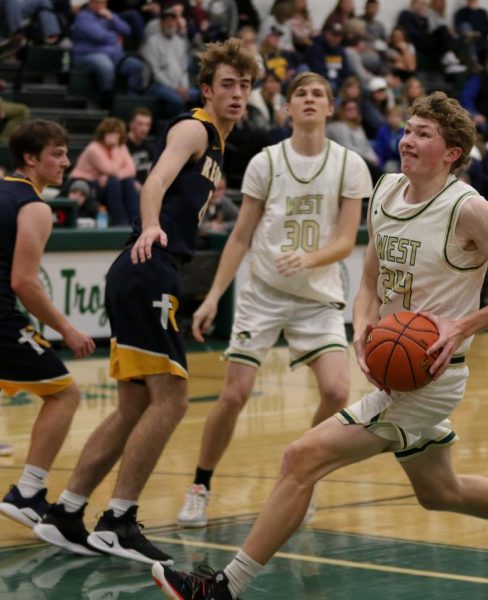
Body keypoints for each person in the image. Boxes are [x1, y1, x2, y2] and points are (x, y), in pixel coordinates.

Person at [151, 91, 488, 599]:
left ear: (452, 153)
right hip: (395, 367)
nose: (407, 140)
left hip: (432, 378)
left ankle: (225, 588)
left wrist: (462, 326)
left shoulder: (470, 210)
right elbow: (370, 277)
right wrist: (361, 325)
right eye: (407, 129)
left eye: (423, 134)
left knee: (301, 459)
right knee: (439, 492)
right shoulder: (384, 192)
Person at [33, 38, 260, 565]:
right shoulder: (193, 128)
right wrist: (154, 224)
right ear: (207, 89)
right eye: (227, 83)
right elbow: (153, 179)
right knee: (173, 399)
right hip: (147, 265)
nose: (237, 93)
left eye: (245, 85)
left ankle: (66, 512)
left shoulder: (219, 149)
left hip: (145, 271)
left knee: (135, 404)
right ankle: (118, 521)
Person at [176, 71, 372, 529]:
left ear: (329, 108)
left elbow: (346, 241)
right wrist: (213, 297)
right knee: (235, 394)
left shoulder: (350, 164)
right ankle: (200, 486)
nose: (308, 99)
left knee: (338, 391)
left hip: (318, 293)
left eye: (318, 94)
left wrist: (308, 259)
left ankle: (303, 471)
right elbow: (241, 235)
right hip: (263, 293)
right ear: (286, 108)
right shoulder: (266, 162)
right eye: (299, 94)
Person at [0, 120, 96, 531]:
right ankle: (28, 491)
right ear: (30, 158)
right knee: (64, 395)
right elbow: (24, 282)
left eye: (65, 152)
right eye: (56, 154)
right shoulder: (34, 207)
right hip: (1, 319)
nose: (66, 162)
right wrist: (68, 329)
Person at [67, 117, 140, 227]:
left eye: (117, 134)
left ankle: (136, 223)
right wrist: (115, 149)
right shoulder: (94, 148)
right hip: (84, 182)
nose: (113, 137)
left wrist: (113, 175)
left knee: (128, 182)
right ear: (103, 134)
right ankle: (121, 223)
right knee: (114, 182)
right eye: (110, 133)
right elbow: (111, 170)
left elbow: (132, 169)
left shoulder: (122, 147)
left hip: (103, 183)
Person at [126, 108, 154, 189]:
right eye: (140, 124)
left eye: (147, 125)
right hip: (130, 187)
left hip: (146, 187)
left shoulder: (148, 146)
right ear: (131, 124)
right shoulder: (122, 145)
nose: (144, 128)